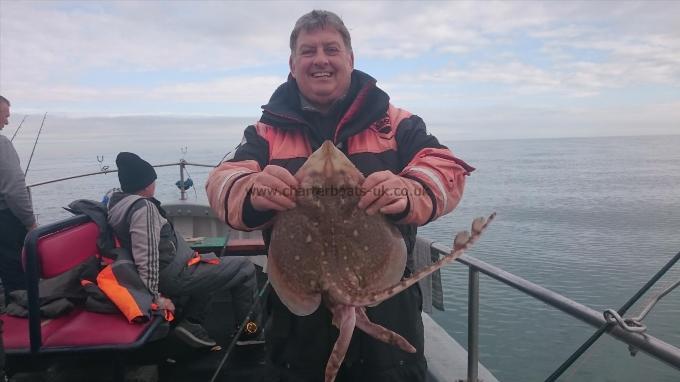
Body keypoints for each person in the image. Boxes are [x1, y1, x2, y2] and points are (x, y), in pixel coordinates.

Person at [206, 10, 474, 382]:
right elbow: (222, 181)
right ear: (292, 63)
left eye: (331, 49)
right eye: (308, 51)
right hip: (297, 336)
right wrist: (249, 190)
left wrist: (412, 189)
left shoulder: (395, 123)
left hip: (388, 309)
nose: (320, 59)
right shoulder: (265, 132)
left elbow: (447, 167)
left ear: (350, 58)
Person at [107, 152, 260, 348]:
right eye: (152, 181)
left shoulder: (119, 205)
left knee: (211, 260)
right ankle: (251, 332)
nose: (154, 184)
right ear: (146, 184)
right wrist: (155, 300)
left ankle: (192, 323)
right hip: (174, 275)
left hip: (181, 266)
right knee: (245, 269)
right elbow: (147, 256)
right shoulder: (143, 209)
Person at [0, 95, 36, 304]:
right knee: (17, 274)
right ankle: (22, 317)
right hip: (6, 222)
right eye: (5, 116)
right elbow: (14, 189)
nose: (7, 122)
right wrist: (30, 222)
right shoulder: (2, 144)